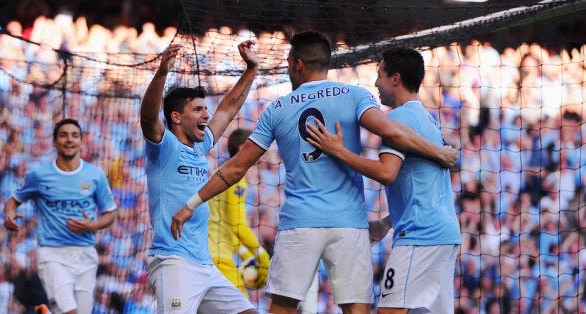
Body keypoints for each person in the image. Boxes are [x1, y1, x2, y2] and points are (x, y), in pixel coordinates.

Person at [173, 31, 458, 314]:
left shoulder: (277, 108)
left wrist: (191, 204)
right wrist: (439, 151)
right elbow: (391, 131)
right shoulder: (355, 95)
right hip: (350, 223)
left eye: (287, 62)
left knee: (282, 308)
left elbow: (236, 167)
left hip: (300, 222)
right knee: (357, 309)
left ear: (297, 64)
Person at [306, 47, 462, 313]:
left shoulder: (398, 117)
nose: (376, 82)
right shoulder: (427, 118)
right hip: (445, 235)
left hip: (420, 236)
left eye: (379, 75)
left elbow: (386, 173)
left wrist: (338, 151)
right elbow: (425, 186)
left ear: (395, 78)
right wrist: (389, 223)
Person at [140, 40, 259, 313]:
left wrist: (251, 69)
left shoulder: (200, 146)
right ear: (176, 118)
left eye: (205, 109)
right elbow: (148, 118)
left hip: (205, 264)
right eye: (198, 110)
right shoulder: (165, 146)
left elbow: (228, 109)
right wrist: (161, 73)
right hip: (174, 261)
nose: (207, 115)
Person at [3, 118, 117, 314]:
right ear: (54, 142)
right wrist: (9, 214)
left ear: (81, 141)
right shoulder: (39, 175)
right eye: (63, 135)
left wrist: (93, 226)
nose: (69, 139)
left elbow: (110, 213)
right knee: (69, 311)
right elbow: (13, 200)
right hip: (52, 254)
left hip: (85, 254)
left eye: (74, 135)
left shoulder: (95, 175)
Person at [208, 128, 271, 298]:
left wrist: (245, 254)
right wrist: (262, 256)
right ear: (244, 147)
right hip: (219, 258)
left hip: (209, 255)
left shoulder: (220, 172)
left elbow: (226, 225)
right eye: (258, 147)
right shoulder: (236, 179)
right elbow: (238, 225)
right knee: (243, 305)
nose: (261, 153)